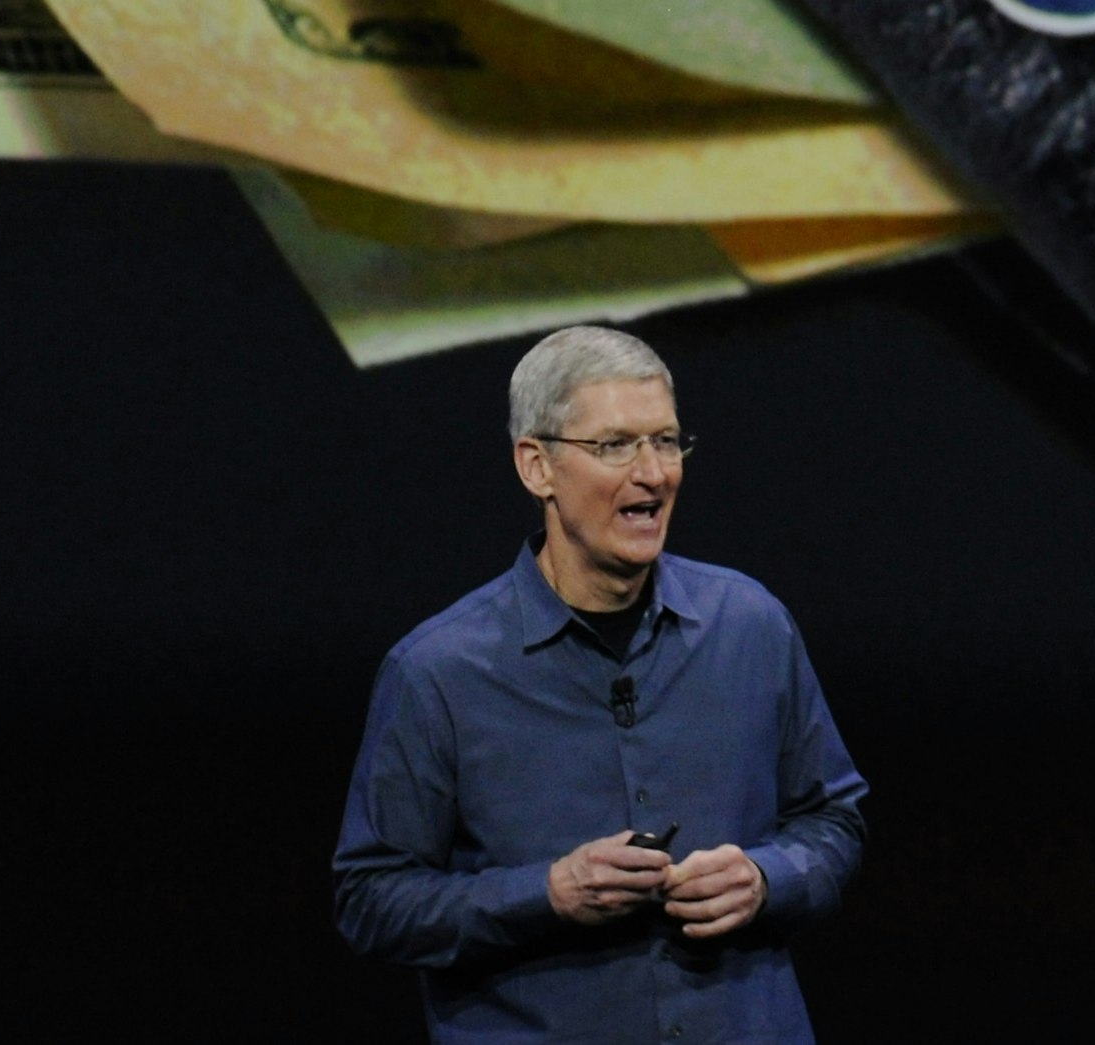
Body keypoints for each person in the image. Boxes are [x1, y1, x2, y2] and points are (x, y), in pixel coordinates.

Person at [334, 326, 867, 1044]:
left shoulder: (751, 625)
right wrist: (546, 893)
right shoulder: (439, 670)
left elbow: (833, 819)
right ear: (537, 467)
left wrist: (768, 879)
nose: (653, 473)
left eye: (667, 441)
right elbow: (370, 900)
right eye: (615, 444)